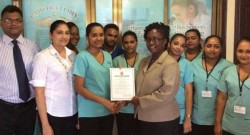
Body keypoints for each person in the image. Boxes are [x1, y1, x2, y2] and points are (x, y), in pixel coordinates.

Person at [131, 22, 180, 135]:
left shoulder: (170, 63)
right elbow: (139, 87)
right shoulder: (144, 61)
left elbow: (167, 93)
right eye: (148, 39)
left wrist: (140, 101)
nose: (151, 43)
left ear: (165, 41)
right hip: (142, 117)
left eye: (156, 39)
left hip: (162, 120)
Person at [31, 20, 77, 135]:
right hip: (53, 114)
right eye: (59, 32)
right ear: (51, 35)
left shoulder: (73, 55)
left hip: (72, 112)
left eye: (67, 33)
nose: (64, 36)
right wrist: (45, 125)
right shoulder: (42, 57)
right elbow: (39, 92)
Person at [0, 5, 40, 135]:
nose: (13, 23)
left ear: (22, 23)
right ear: (1, 23)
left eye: (18, 20)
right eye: (8, 20)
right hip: (3, 108)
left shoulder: (33, 46)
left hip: (29, 107)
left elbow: (38, 76)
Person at [73, 22, 118, 135]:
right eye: (94, 35)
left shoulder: (107, 56)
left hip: (107, 111)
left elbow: (108, 82)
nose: (98, 38)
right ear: (87, 37)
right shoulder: (82, 57)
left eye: (101, 35)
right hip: (89, 112)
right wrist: (105, 102)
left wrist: (120, 75)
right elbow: (79, 88)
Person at [191, 35, 233, 135]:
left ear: (221, 49)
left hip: (219, 119)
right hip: (197, 117)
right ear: (204, 47)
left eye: (216, 46)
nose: (212, 49)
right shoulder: (193, 65)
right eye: (209, 46)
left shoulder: (229, 67)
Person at [113, 30, 146, 135]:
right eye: (126, 42)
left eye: (132, 42)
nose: (129, 45)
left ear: (136, 42)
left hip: (140, 107)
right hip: (123, 108)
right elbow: (113, 84)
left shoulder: (144, 59)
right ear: (122, 44)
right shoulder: (117, 60)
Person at [215, 38, 250, 135]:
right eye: (240, 51)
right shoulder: (228, 71)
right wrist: (218, 123)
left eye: (248, 52)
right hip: (229, 126)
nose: (244, 55)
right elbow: (221, 98)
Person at [168, 33, 193, 135]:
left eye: (183, 46)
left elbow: (188, 92)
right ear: (169, 44)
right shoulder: (160, 60)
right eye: (176, 44)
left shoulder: (187, 64)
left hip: (180, 112)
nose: (179, 48)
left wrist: (188, 117)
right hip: (161, 111)